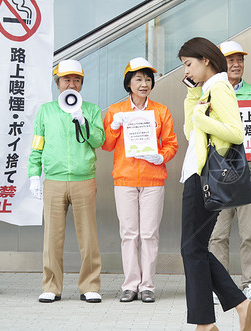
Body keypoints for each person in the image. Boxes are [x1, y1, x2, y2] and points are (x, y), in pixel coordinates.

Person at [178, 37, 251, 331]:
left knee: (192, 249)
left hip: (206, 178)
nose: (187, 71)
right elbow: (191, 133)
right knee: (195, 249)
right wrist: (193, 99)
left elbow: (235, 133)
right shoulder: (206, 89)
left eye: (189, 64)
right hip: (197, 175)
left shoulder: (220, 87)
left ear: (205, 60)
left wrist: (202, 116)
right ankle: (240, 308)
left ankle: (208, 323)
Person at [28, 59, 105, 303]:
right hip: (54, 180)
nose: (71, 84)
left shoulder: (91, 110)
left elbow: (99, 141)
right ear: (57, 83)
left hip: (84, 179)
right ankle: (51, 286)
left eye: (76, 79)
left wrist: (83, 121)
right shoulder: (46, 111)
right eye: (66, 79)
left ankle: (90, 285)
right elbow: (37, 145)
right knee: (52, 236)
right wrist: (33, 174)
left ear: (81, 83)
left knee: (88, 237)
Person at [102, 57, 178, 303]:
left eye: (147, 79)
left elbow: (171, 144)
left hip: (153, 179)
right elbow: (106, 144)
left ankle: (147, 285)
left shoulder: (161, 111)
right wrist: (114, 126)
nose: (144, 84)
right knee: (129, 234)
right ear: (128, 83)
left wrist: (161, 156)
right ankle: (130, 285)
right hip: (124, 180)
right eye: (138, 79)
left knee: (149, 234)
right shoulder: (115, 110)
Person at [208, 40, 251, 305]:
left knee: (250, 233)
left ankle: (250, 284)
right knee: (218, 234)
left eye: (240, 59)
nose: (236, 64)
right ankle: (221, 287)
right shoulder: (211, 91)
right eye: (230, 60)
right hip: (220, 174)